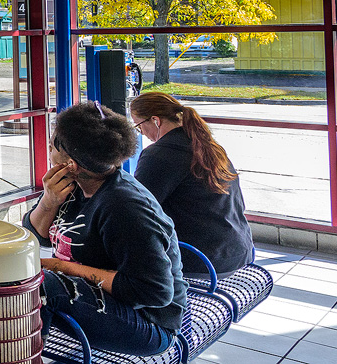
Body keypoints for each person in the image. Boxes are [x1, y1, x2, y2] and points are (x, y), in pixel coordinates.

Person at [24, 102, 186, 357]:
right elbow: (32, 239)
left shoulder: (124, 207)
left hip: (150, 324)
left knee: (41, 287)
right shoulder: (72, 185)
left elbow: (155, 292)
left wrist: (63, 267)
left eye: (53, 145)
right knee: (23, 278)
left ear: (71, 163)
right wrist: (48, 201)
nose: (49, 150)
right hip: (106, 300)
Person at [129, 92, 253, 277]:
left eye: (139, 127)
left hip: (203, 260)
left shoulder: (159, 154)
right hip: (239, 251)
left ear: (155, 121)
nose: (142, 134)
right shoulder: (208, 146)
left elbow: (137, 209)